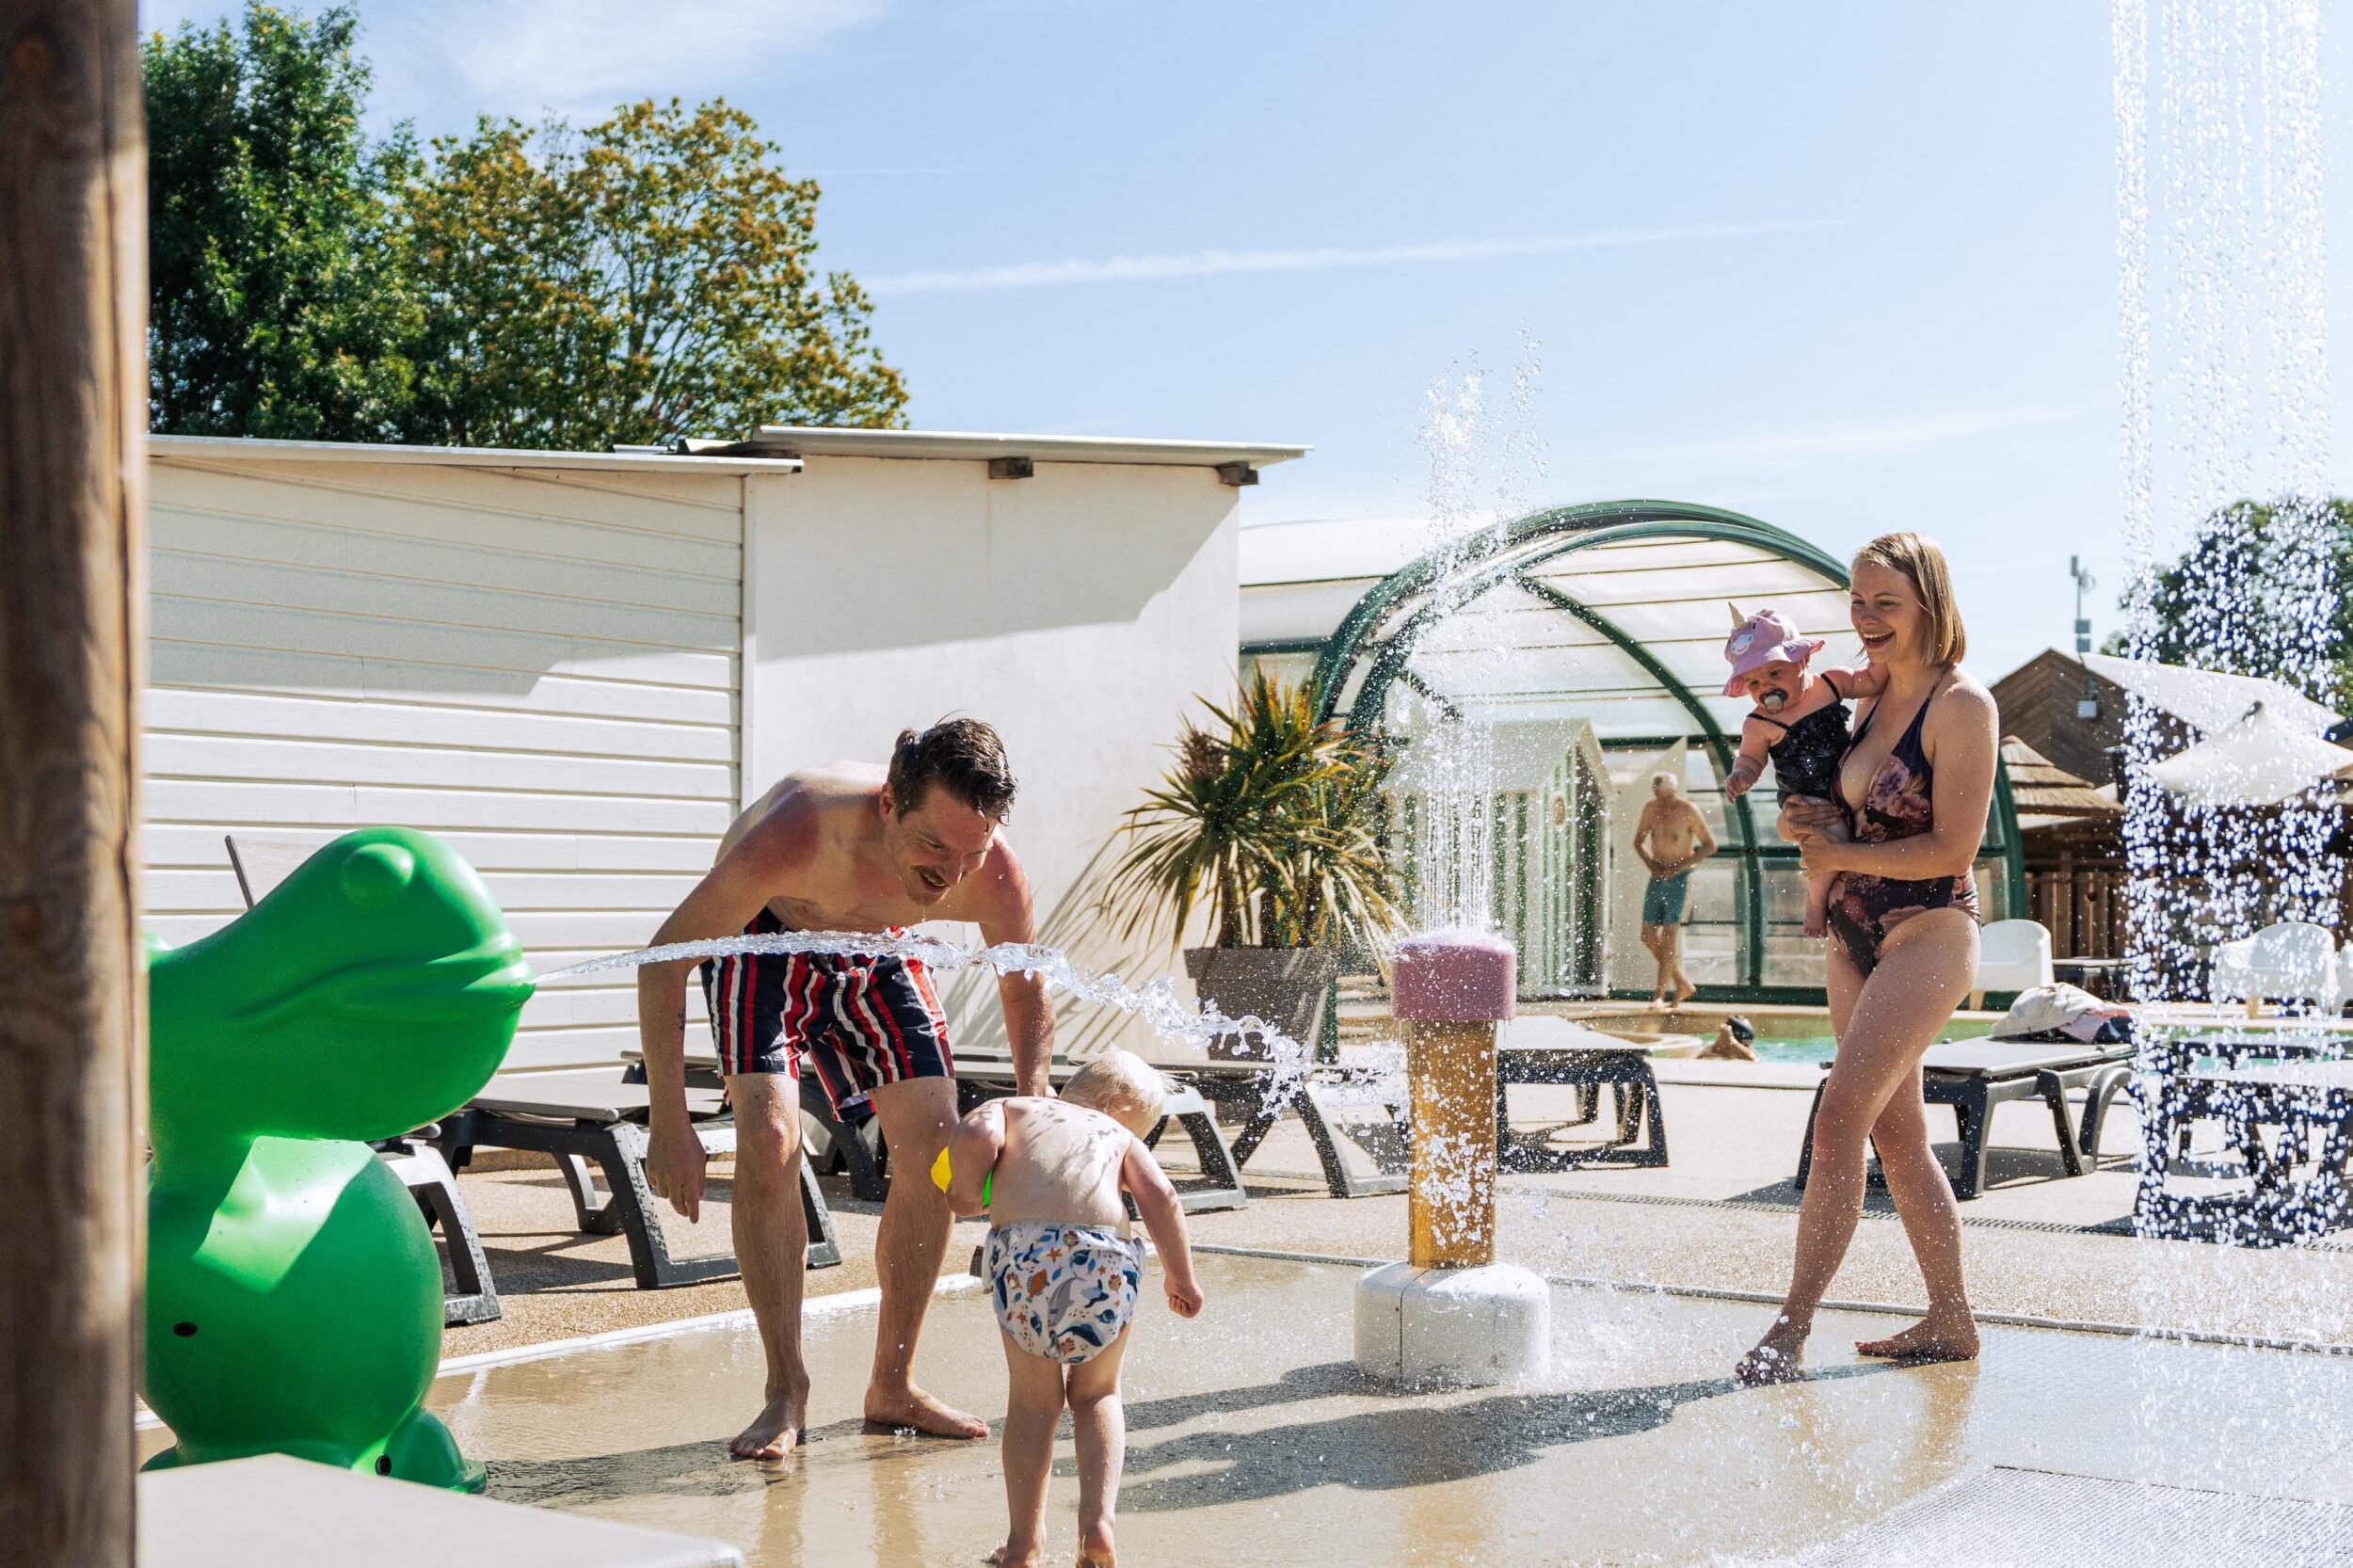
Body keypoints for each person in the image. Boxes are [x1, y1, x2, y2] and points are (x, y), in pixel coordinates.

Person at [635, 718, 1054, 1458]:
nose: (952, 874)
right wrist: (670, 1123)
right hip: (767, 939)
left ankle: (893, 1384)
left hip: (880, 948)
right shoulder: (799, 834)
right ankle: (785, 1388)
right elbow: (664, 961)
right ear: (889, 804)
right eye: (934, 847)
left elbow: (1024, 991)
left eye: (973, 851)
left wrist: (1035, 1114)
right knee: (770, 1139)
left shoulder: (992, 874)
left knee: (937, 1148)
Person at [1737, 534, 1997, 1384]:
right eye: (1857, 600)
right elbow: (1832, 805)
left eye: (1886, 601)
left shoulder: (1963, 706)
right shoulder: (1869, 695)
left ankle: (1790, 1327)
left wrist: (1840, 854)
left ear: (1929, 602)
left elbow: (1952, 849)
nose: (1866, 617)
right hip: (1853, 934)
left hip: (1928, 930)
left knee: (1838, 1116)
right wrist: (1803, 824)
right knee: (1897, 1133)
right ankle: (1950, 1318)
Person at [941, 1050, 1205, 1568]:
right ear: (1123, 1111)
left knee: (1033, 1403)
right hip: (1105, 1263)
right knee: (1098, 1393)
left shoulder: (1016, 1109)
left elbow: (974, 1134)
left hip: (1027, 1257)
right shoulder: (1119, 1137)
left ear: (1070, 1089)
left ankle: (1024, 1545)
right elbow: (1161, 1195)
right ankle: (1097, 1527)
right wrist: (1181, 1276)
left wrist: (965, 1194)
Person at [1720, 605, 1887, 937]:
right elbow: (1751, 759)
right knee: (1830, 842)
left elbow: (1872, 680)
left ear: (1802, 659)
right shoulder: (1759, 723)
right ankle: (1815, 901)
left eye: (1774, 673)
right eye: (1753, 682)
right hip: (1807, 799)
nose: (1765, 687)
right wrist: (1742, 776)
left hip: (1846, 781)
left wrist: (1882, 652)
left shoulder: (1831, 684)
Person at [1632, 771, 1716, 1008]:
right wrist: (1652, 864)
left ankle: (1658, 995)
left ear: (1675, 792)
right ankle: (1681, 983)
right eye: (1660, 797)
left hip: (1681, 878)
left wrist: (1679, 867)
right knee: (1647, 935)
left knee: (1669, 935)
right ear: (1655, 793)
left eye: (1667, 798)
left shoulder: (1688, 810)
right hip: (1657, 876)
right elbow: (1638, 841)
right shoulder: (1651, 809)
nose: (1664, 803)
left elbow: (1709, 846)